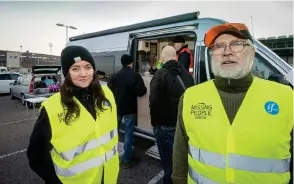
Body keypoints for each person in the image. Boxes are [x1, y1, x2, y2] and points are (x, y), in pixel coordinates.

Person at [172, 23, 293, 184]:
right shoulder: (190, 97)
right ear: (212, 55)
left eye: (236, 44)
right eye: (219, 46)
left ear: (252, 52)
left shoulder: (286, 98)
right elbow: (180, 156)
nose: (227, 52)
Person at [27, 46, 119, 184]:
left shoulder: (107, 95)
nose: (83, 73)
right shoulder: (52, 107)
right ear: (67, 72)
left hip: (109, 178)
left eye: (88, 67)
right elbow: (36, 155)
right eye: (75, 68)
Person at [149, 46, 194, 184]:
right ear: (176, 57)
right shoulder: (187, 74)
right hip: (183, 126)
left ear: (163, 58)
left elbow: (154, 101)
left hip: (165, 126)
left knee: (168, 165)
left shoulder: (160, 74)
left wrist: (155, 124)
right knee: (181, 162)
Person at [107, 54, 147, 168]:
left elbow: (109, 90)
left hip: (117, 108)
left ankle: (111, 156)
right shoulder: (135, 76)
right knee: (128, 135)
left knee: (113, 133)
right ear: (131, 63)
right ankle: (126, 160)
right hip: (130, 109)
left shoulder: (115, 75)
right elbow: (142, 92)